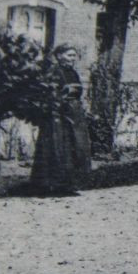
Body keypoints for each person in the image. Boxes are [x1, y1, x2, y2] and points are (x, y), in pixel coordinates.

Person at [28, 46, 93, 194]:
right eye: (70, 55)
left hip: (74, 115)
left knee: (75, 147)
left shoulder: (73, 73)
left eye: (74, 56)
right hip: (58, 115)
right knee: (57, 147)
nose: (73, 58)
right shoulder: (54, 72)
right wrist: (60, 100)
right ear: (60, 55)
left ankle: (68, 184)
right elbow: (48, 92)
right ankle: (48, 184)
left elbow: (78, 93)